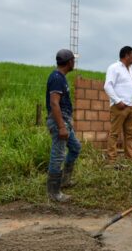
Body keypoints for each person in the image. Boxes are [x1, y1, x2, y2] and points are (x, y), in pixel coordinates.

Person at [45, 49, 82, 202]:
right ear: (69, 62)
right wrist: (61, 126)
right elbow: (54, 103)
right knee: (58, 155)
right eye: (74, 60)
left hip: (64, 121)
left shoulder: (61, 77)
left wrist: (67, 123)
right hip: (58, 121)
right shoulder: (56, 78)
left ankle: (65, 181)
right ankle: (53, 192)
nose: (74, 62)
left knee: (75, 147)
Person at [104, 46, 132, 167]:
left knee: (129, 134)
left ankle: (130, 158)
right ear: (126, 55)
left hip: (131, 106)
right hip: (120, 107)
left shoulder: (131, 70)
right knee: (114, 133)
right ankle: (111, 160)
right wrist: (118, 101)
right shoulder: (114, 68)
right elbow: (107, 86)